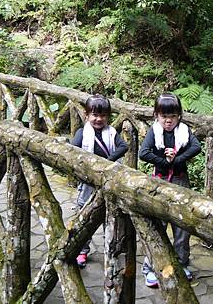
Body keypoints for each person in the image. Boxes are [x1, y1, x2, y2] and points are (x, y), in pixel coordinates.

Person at [139, 92, 201, 287]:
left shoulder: (183, 131)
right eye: (164, 116)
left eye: (172, 116)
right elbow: (144, 153)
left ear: (179, 116)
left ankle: (181, 262)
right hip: (159, 182)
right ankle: (150, 267)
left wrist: (178, 158)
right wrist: (165, 162)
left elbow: (196, 147)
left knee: (182, 225)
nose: (168, 121)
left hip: (181, 181)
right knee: (157, 225)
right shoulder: (154, 131)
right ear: (157, 115)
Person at [70, 94, 128, 268]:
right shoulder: (82, 133)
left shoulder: (111, 133)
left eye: (103, 116)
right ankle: (81, 250)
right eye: (94, 115)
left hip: (108, 181)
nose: (98, 119)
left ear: (108, 117)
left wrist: (108, 161)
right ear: (87, 115)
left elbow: (123, 146)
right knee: (84, 216)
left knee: (110, 215)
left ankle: (111, 249)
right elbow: (72, 150)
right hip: (88, 183)